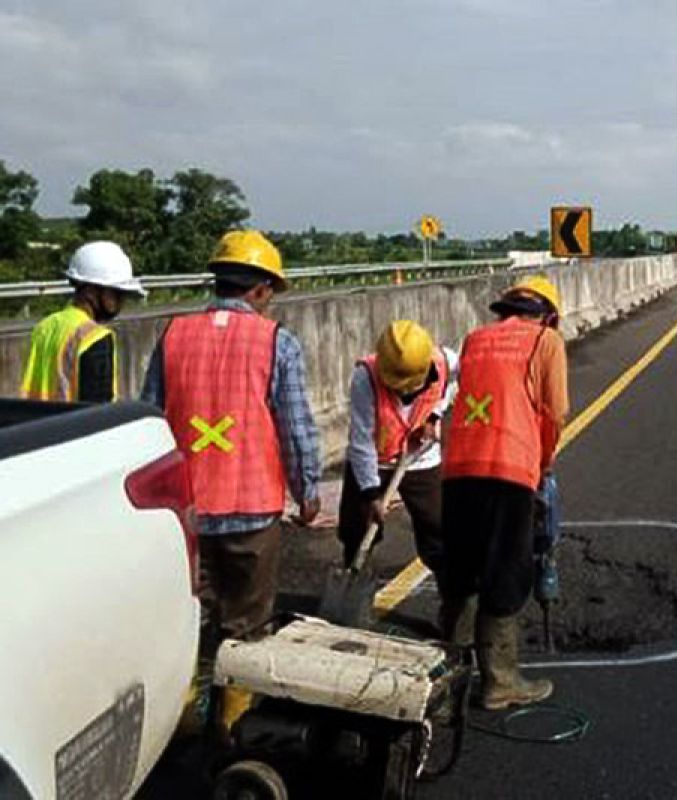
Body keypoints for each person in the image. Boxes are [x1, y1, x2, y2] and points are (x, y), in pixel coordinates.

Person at [141, 230, 322, 730]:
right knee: (245, 629)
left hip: (183, 516)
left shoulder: (172, 334)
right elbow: (296, 428)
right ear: (261, 289)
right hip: (251, 510)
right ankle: (231, 731)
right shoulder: (275, 341)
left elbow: (149, 420)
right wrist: (307, 493)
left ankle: (178, 728)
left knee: (189, 625)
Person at [441, 275, 569, 710]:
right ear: (548, 317)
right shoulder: (545, 342)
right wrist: (543, 462)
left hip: (458, 467)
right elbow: (555, 411)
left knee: (461, 572)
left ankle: (445, 683)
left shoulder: (475, 338)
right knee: (504, 569)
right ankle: (500, 681)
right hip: (510, 465)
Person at [338, 320, 459, 596]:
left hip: (420, 459)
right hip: (374, 462)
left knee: (438, 527)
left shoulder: (446, 361)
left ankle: (454, 605)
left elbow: (452, 385)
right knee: (358, 531)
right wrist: (371, 494)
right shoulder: (365, 377)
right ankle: (354, 592)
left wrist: (434, 416)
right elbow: (361, 441)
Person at [21, 241, 145, 402]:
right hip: (74, 427)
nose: (121, 301)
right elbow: (98, 408)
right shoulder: (95, 337)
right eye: (116, 293)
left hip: (39, 425)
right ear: (91, 291)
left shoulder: (44, 328)